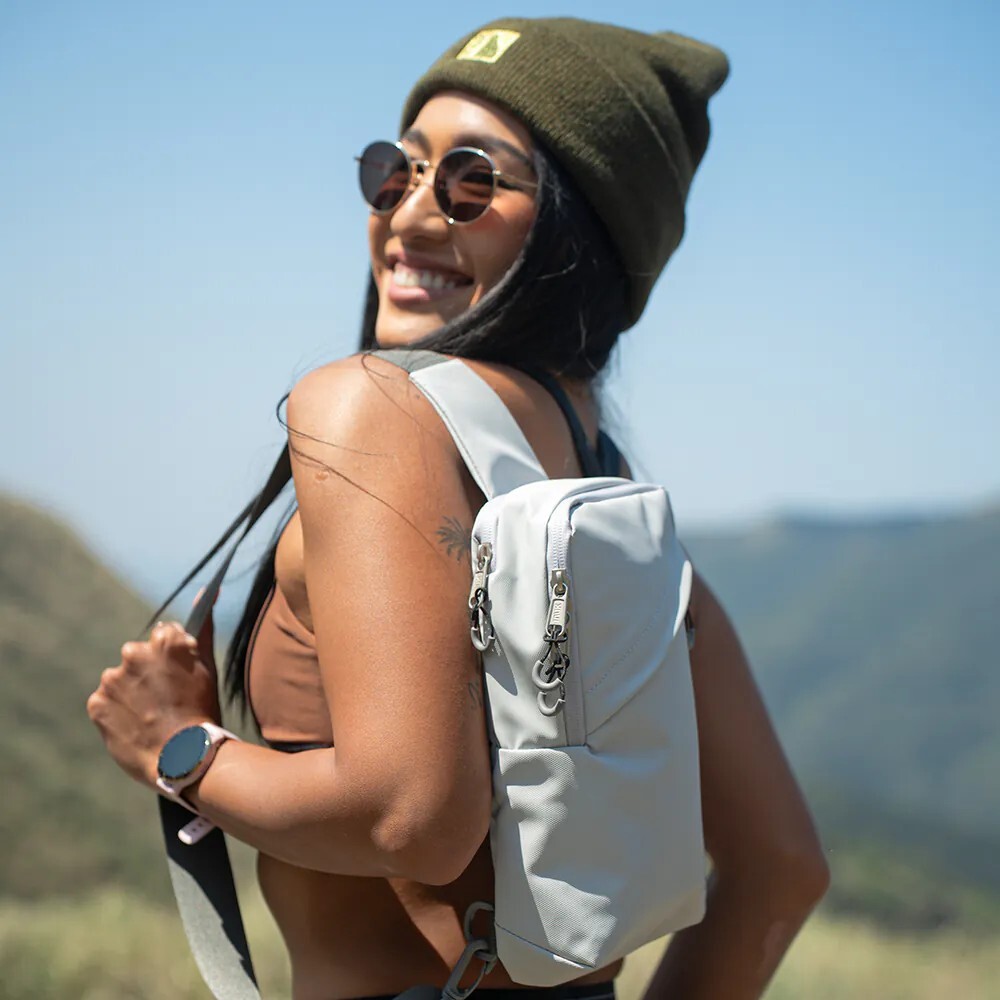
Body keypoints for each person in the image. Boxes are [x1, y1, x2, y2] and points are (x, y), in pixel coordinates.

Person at [87, 16, 829, 1000]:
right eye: (394, 170)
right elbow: (781, 865)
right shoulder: (605, 502)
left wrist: (177, 749)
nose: (410, 212)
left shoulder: (371, 407)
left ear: (579, 229)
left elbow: (412, 818)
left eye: (472, 181)